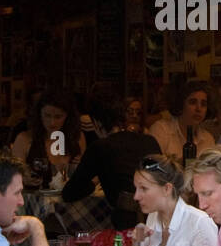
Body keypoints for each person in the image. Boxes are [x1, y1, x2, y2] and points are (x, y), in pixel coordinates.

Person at [62, 92, 160, 229]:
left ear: (95, 122)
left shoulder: (100, 147)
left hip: (126, 226)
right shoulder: (150, 141)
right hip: (160, 221)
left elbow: (69, 193)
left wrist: (94, 182)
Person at [131, 154, 217, 246]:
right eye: (136, 188)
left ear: (167, 189)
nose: (136, 196)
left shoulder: (200, 223)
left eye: (144, 188)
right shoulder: (153, 217)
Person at [11, 89, 85, 178]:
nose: (52, 122)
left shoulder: (77, 138)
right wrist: (25, 178)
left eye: (58, 117)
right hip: (34, 191)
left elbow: (87, 175)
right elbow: (13, 176)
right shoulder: (24, 139)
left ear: (68, 117)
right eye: (47, 115)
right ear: (39, 114)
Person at [147, 80, 216, 159]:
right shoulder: (161, 130)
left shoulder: (208, 138)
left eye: (203, 104)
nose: (198, 108)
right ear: (181, 105)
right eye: (192, 102)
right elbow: (150, 166)